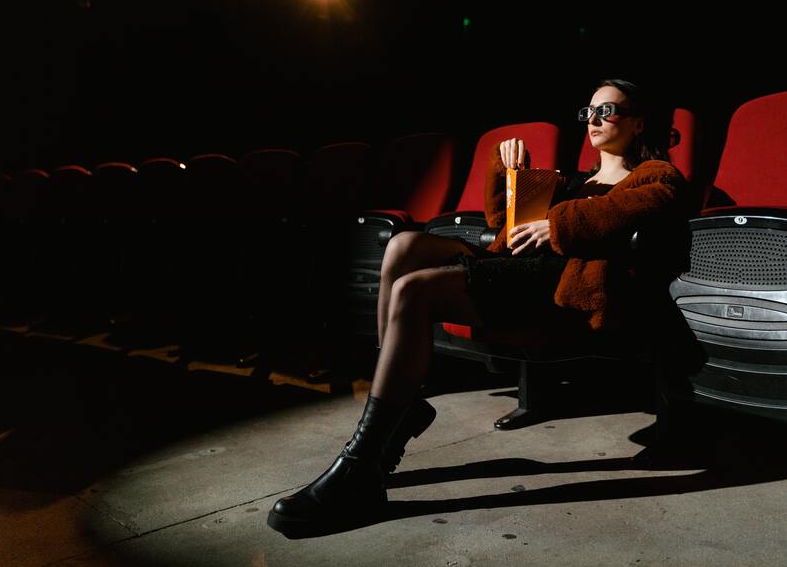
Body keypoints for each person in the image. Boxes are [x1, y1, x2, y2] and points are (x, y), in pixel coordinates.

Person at [267, 79, 689, 535]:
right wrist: (507, 171)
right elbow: (504, 229)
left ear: (638, 122)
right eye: (588, 111)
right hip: (520, 271)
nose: (593, 119)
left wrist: (558, 225)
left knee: (413, 290)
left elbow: (650, 204)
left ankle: (361, 466)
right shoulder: (569, 181)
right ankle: (399, 409)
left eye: (607, 110)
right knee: (403, 245)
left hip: (559, 290)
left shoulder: (653, 175)